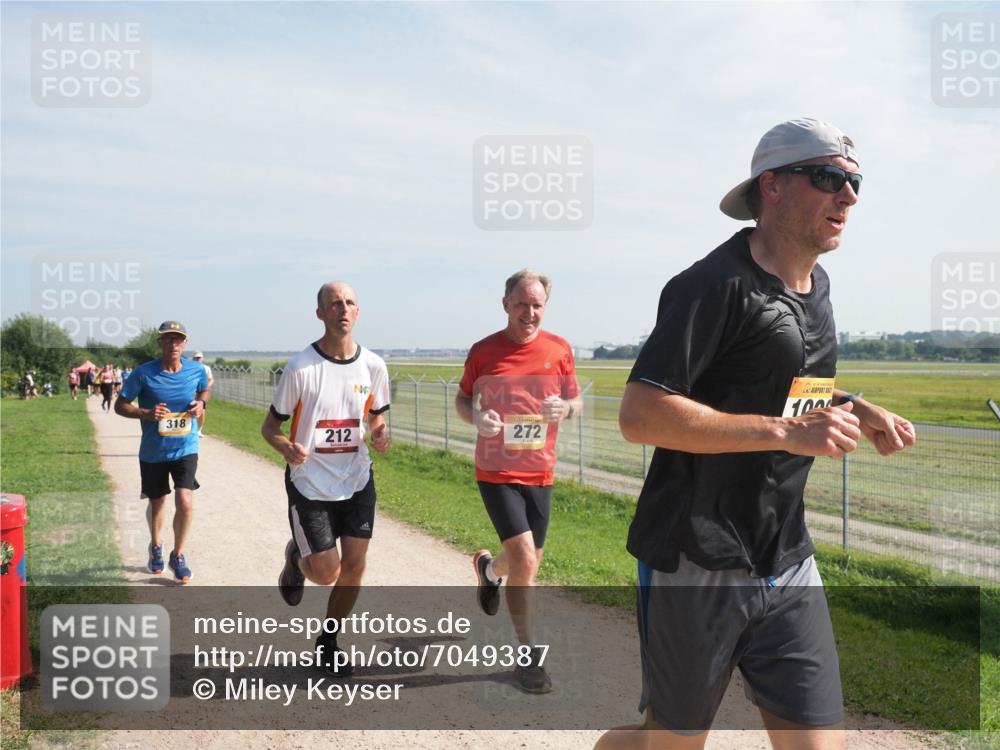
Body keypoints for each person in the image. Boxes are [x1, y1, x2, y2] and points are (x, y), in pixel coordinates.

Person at [594, 118, 917, 750]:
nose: (848, 196)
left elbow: (786, 389)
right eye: (829, 179)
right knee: (670, 743)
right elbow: (641, 414)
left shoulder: (818, 288)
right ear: (771, 186)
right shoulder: (709, 287)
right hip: (696, 558)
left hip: (787, 558)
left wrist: (858, 405)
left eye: (855, 182)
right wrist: (784, 433)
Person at [455, 269, 582, 694]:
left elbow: (576, 400)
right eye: (522, 303)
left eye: (537, 305)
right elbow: (462, 398)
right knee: (526, 560)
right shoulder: (484, 351)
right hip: (495, 470)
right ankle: (529, 657)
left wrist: (565, 409)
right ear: (506, 303)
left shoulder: (559, 350)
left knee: (525, 564)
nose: (530, 312)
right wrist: (476, 416)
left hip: (540, 471)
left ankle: (489, 570)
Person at [261, 282, 390, 677]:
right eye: (334, 303)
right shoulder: (301, 367)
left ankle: (329, 642)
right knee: (326, 572)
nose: (343, 309)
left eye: (350, 302)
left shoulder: (374, 366)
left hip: (356, 480)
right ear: (320, 313)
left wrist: (381, 430)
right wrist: (286, 448)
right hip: (310, 484)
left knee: (354, 567)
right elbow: (269, 428)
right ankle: (297, 561)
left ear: (358, 311)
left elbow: (377, 415)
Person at [115, 321, 210, 583]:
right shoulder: (143, 373)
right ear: (160, 343)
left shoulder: (196, 369)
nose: (173, 344)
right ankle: (155, 546)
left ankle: (178, 554)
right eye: (168, 339)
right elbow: (120, 405)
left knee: (185, 501)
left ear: (185, 343)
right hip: (153, 451)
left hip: (186, 446)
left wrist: (200, 404)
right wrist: (147, 413)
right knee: (157, 503)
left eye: (178, 339)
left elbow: (205, 389)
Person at [191, 353, 214, 436]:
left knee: (202, 411)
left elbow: (211, 379)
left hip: (201, 392)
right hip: (192, 392)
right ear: (193, 359)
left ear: (202, 359)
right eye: (196, 358)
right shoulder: (191, 368)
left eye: (199, 358)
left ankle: (199, 429)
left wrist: (206, 387)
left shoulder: (206, 368)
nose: (198, 359)